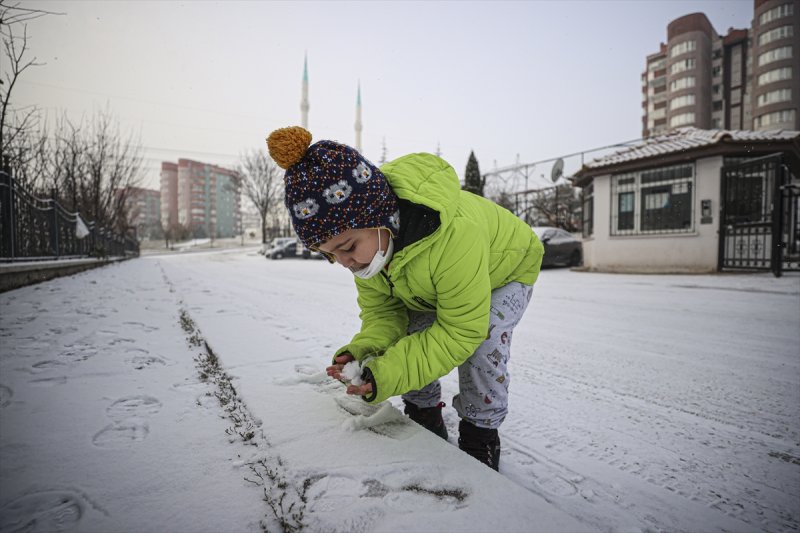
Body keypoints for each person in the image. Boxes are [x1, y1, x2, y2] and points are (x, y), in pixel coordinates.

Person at [266, 126, 543, 470]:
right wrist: (366, 351)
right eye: (330, 255)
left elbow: (460, 331)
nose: (345, 262)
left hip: (506, 270)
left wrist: (393, 371)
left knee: (483, 338)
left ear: (379, 217)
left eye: (348, 247)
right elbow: (385, 316)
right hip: (434, 276)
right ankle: (424, 414)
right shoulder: (371, 254)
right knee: (415, 325)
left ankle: (480, 433)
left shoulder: (454, 237)